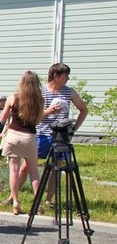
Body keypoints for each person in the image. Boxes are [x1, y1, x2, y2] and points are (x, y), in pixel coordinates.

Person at [24, 63, 89, 208]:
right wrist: (48, 111)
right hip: (41, 133)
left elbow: (84, 109)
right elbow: (32, 115)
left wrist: (74, 128)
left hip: (61, 135)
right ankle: (13, 195)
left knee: (56, 167)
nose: (68, 78)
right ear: (56, 76)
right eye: (66, 75)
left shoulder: (69, 92)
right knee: (27, 165)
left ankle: (48, 199)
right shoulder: (40, 92)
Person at [0, 71, 45, 216]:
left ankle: (15, 202)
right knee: (33, 172)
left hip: (13, 135)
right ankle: (38, 203)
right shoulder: (40, 100)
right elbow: (38, 120)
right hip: (29, 136)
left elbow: (2, 119)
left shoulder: (12, 98)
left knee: (14, 170)